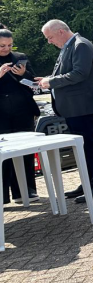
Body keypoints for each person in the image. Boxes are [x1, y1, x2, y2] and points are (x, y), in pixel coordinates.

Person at [37, 20, 93, 203]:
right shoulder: (70, 46)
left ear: (61, 31)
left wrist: (51, 82)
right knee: (83, 147)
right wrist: (48, 79)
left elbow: (79, 74)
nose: (49, 41)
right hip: (75, 107)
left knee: (91, 145)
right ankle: (88, 182)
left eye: (50, 37)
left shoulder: (81, 45)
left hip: (83, 106)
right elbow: (70, 72)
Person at [0, 29, 41, 204]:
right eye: (2, 45)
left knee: (26, 151)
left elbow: (33, 83)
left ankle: (26, 190)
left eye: (9, 45)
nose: (6, 49)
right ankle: (3, 196)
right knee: (4, 155)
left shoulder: (19, 57)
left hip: (23, 110)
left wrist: (23, 74)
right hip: (1, 114)